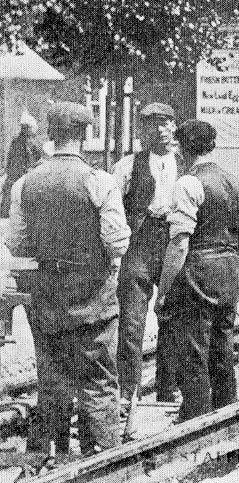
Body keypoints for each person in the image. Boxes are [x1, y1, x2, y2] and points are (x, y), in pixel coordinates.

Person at [6, 102, 131, 456]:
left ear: (50, 134)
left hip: (46, 296)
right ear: (84, 133)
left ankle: (51, 454)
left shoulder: (24, 183)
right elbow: (116, 239)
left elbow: (16, 241)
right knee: (98, 380)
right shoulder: (100, 181)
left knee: (53, 378)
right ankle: (104, 458)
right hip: (93, 295)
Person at [156, 120, 239, 421]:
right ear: (212, 146)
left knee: (193, 348)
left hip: (197, 272)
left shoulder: (187, 184)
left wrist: (165, 288)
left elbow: (179, 244)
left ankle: (195, 416)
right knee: (223, 345)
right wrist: (232, 269)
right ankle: (226, 409)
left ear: (183, 149)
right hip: (230, 271)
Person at [111, 102, 182, 407]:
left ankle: (169, 387)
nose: (160, 130)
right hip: (139, 244)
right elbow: (112, 207)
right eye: (152, 124)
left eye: (165, 123)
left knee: (174, 317)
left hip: (174, 243)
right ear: (141, 131)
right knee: (131, 322)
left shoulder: (186, 164)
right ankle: (129, 390)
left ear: (174, 127)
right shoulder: (127, 166)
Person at [1, 111, 42, 218]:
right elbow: (15, 168)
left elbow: (39, 158)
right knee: (11, 215)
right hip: (16, 182)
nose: (32, 138)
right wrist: (29, 170)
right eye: (31, 134)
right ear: (25, 130)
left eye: (33, 135)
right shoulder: (17, 144)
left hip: (27, 181)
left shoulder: (33, 145)